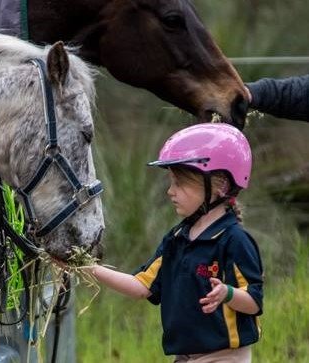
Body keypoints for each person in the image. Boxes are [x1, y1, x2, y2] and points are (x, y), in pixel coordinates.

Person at [87, 123, 264, 362]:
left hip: (225, 357)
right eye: (171, 182)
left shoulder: (234, 240)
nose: (170, 191)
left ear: (220, 185)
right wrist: (87, 267)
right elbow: (141, 287)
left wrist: (228, 293)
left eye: (179, 182)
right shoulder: (176, 239)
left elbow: (253, 302)